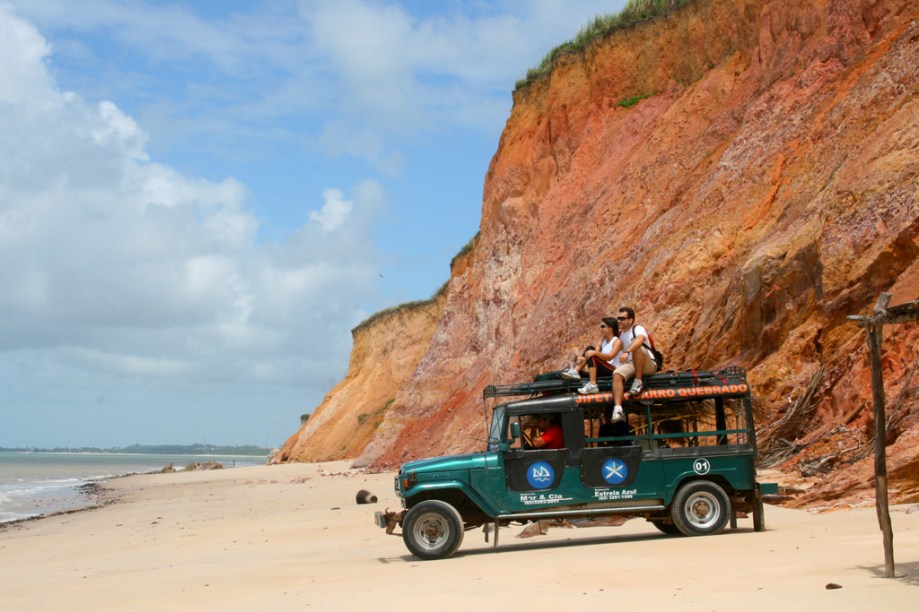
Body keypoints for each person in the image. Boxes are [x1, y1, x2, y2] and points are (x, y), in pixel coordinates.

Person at [610, 306, 659, 420]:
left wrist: (627, 352)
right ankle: (617, 408)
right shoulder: (621, 334)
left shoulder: (637, 329)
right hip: (632, 363)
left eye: (622, 318)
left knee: (637, 348)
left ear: (630, 320)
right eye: (618, 318)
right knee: (617, 374)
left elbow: (639, 340)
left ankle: (638, 381)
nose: (619, 321)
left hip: (647, 363)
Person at [565, 318, 623, 396]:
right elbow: (596, 352)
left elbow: (609, 357)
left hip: (613, 370)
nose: (600, 329)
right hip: (603, 367)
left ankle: (593, 385)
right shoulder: (603, 341)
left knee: (592, 353)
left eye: (603, 326)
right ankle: (575, 371)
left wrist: (594, 353)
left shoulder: (617, 341)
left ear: (610, 328)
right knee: (590, 349)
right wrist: (585, 359)